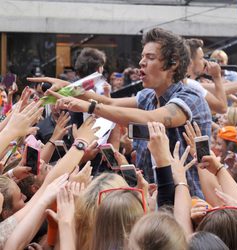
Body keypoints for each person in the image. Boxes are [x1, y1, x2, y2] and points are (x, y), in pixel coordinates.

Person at [29, 28, 212, 197]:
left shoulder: (191, 97)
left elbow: (152, 119)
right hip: (149, 200)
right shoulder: (147, 97)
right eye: (142, 56)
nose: (141, 62)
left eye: (150, 57)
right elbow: (109, 102)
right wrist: (68, 87)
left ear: (173, 63)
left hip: (189, 203)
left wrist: (90, 107)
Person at [185, 38, 227, 114]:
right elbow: (223, 108)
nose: (205, 61)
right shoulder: (191, 84)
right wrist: (217, 76)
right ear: (190, 62)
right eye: (201, 58)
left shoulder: (185, 82)